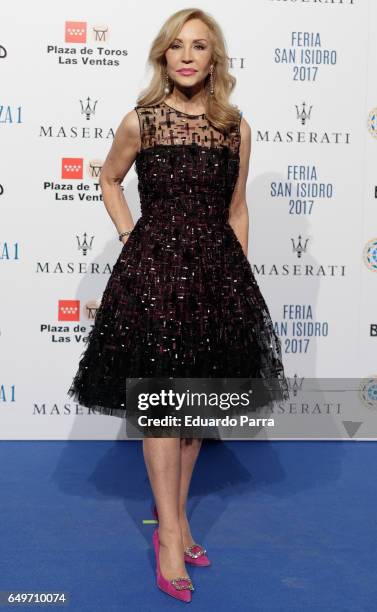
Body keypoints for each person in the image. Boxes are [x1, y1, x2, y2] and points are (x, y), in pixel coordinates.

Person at [67, 7, 289, 603]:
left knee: (192, 412)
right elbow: (110, 179)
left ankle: (180, 518)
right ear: (163, 56)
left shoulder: (236, 127)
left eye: (199, 46)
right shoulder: (141, 121)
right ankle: (168, 534)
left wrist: (236, 278)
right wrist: (129, 235)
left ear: (214, 59)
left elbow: (237, 208)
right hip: (155, 277)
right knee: (164, 409)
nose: (187, 55)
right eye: (176, 46)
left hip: (215, 279)